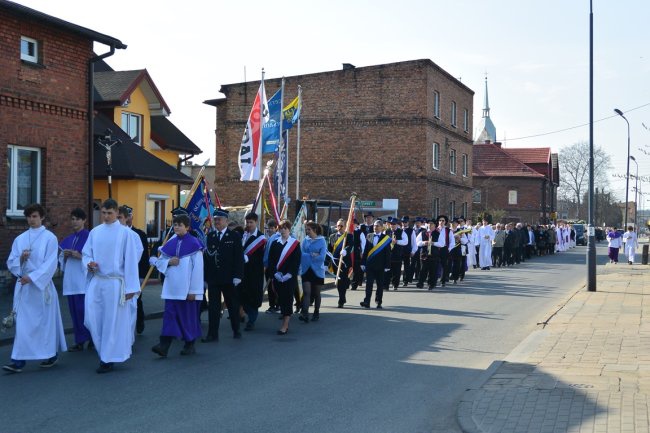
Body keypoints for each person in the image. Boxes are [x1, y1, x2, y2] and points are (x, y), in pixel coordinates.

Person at [3, 203, 67, 373]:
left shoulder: (49, 238)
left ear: (42, 217)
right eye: (28, 217)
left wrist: (31, 277)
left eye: (35, 216)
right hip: (24, 287)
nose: (31, 220)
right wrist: (21, 261)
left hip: (41, 286)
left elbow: (50, 264)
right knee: (23, 324)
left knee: (44, 323)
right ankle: (18, 360)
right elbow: (11, 261)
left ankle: (50, 354)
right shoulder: (20, 238)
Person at [82, 199, 142, 373]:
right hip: (97, 281)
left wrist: (131, 288)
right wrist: (88, 263)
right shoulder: (95, 232)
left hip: (115, 283)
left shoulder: (125, 234)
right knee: (93, 319)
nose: (106, 216)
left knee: (111, 321)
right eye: (103, 213)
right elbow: (86, 253)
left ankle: (107, 358)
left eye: (109, 213)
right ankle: (103, 352)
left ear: (116, 213)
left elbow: (131, 261)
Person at [150, 210, 204, 357]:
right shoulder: (170, 243)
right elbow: (160, 262)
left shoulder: (194, 244)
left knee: (187, 318)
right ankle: (164, 345)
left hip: (186, 290)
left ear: (187, 227)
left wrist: (194, 291)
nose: (176, 227)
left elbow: (198, 270)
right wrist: (168, 262)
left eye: (180, 225)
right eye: (175, 225)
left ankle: (189, 344)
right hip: (171, 288)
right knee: (169, 316)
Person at [203, 208, 244, 342]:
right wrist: (205, 278)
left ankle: (236, 329)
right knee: (213, 307)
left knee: (232, 305)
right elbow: (207, 258)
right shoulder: (211, 236)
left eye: (219, 220)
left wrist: (238, 275)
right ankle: (212, 334)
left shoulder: (234, 236)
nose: (217, 222)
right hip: (214, 278)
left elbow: (238, 258)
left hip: (229, 278)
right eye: (215, 220)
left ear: (226, 221)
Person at [59, 208, 91, 352]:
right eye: (72, 219)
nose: (74, 222)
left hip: (83, 281)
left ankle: (91, 338)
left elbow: (94, 258)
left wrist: (80, 257)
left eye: (77, 219)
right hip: (71, 281)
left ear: (84, 220)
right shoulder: (69, 238)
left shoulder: (89, 237)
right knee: (74, 312)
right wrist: (64, 256)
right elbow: (60, 260)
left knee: (84, 312)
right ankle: (79, 340)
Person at [267, 219, 301, 334]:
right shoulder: (275, 243)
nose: (283, 230)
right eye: (281, 228)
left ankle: (285, 325)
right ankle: (285, 318)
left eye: (285, 228)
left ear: (289, 229)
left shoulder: (295, 244)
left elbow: (296, 261)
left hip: (289, 277)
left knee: (287, 299)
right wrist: (274, 273)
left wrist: (289, 274)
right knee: (281, 299)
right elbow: (270, 260)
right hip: (277, 277)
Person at [119, 205, 150, 334]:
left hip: (135, 272)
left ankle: (139, 321)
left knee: (137, 300)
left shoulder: (139, 234)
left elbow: (143, 256)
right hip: (119, 275)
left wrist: (143, 275)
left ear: (130, 217)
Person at [240, 212, 266, 330]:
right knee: (243, 295)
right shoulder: (243, 235)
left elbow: (262, 257)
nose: (249, 224)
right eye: (247, 222)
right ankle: (244, 313)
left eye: (251, 222)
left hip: (255, 272)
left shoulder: (261, 238)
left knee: (253, 296)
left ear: (256, 222)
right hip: (243, 272)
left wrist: (248, 258)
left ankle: (251, 320)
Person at [360, 219, 391, 308]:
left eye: (377, 226)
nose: (375, 227)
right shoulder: (369, 236)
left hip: (381, 265)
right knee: (368, 284)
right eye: (374, 226)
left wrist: (387, 265)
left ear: (382, 227)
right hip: (370, 265)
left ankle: (378, 302)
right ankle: (367, 302)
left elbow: (388, 253)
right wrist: (363, 262)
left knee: (379, 285)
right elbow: (366, 250)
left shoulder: (385, 238)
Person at [300, 221, 327, 321]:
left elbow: (322, 257)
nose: (307, 232)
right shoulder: (305, 240)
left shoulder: (322, 241)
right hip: (306, 269)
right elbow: (301, 254)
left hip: (318, 270)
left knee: (316, 293)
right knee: (307, 292)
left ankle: (316, 312)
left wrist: (313, 256)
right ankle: (305, 313)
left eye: (309, 230)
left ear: (314, 230)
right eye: (306, 229)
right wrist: (312, 255)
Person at [329, 218, 353, 308]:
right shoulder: (332, 236)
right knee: (339, 282)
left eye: (341, 225)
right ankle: (342, 297)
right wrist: (327, 262)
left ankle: (341, 300)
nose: (339, 227)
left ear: (345, 226)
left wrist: (346, 250)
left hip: (344, 262)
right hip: (335, 262)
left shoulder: (348, 236)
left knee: (343, 281)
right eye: (338, 225)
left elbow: (351, 246)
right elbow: (329, 249)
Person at [263, 219, 280, 313]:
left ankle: (273, 305)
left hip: (272, 266)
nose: (269, 230)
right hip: (272, 266)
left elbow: (268, 254)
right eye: (268, 228)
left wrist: (265, 265)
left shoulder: (274, 238)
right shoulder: (269, 238)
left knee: (272, 287)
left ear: (276, 228)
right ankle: (276, 304)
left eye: (271, 228)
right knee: (273, 287)